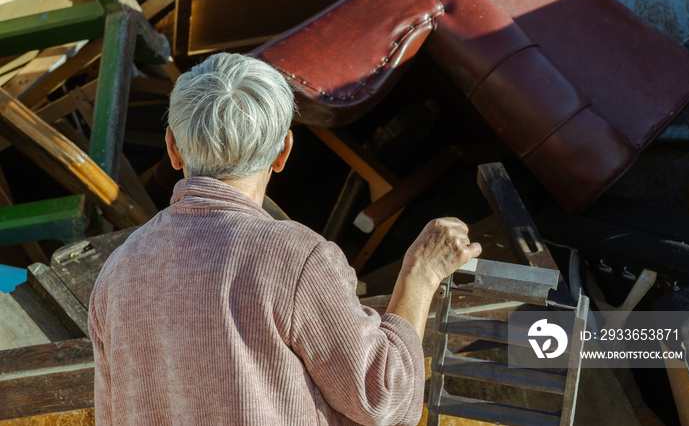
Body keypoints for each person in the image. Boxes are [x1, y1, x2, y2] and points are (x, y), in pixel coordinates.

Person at [88, 53, 482, 425]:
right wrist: (422, 273)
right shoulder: (296, 258)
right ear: (283, 153)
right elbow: (383, 400)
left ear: (172, 148)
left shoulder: (116, 272)